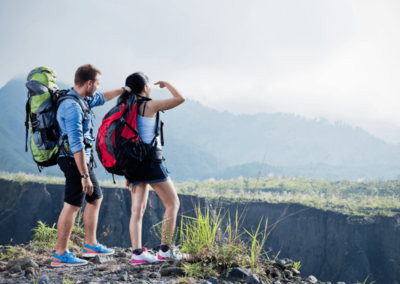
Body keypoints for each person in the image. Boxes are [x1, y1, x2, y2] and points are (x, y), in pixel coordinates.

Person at [51, 64, 129, 267]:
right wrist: (84, 175)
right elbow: (76, 143)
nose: (98, 88)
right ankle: (60, 255)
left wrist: (123, 90)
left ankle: (91, 244)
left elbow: (102, 97)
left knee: (95, 197)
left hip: (81, 160)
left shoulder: (82, 99)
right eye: (97, 84)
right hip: (73, 160)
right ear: (88, 83)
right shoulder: (72, 107)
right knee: (73, 205)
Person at [118, 72, 185, 265]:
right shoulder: (149, 104)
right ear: (145, 88)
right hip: (151, 162)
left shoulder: (125, 107)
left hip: (132, 164)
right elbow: (180, 99)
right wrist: (168, 84)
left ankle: (137, 254)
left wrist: (127, 171)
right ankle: (165, 250)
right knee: (173, 204)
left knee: (136, 210)